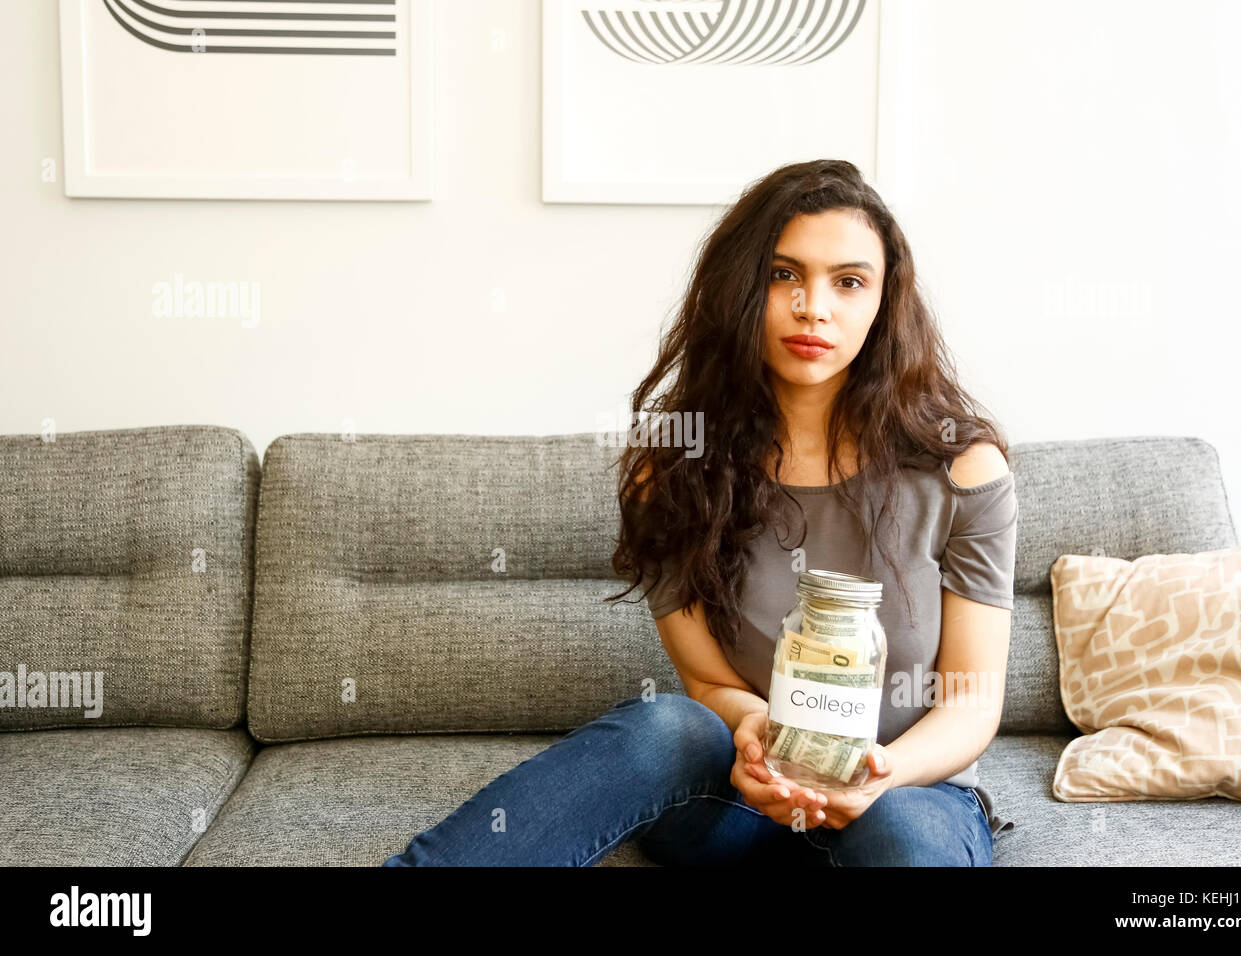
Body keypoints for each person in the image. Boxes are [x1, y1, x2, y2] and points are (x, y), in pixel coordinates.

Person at [383, 159, 1017, 867]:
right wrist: (754, 733)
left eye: (848, 281)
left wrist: (879, 776)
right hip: (742, 806)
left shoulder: (962, 470)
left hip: (906, 792)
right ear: (741, 290)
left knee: (905, 834)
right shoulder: (674, 472)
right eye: (784, 275)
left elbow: (970, 701)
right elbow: (710, 684)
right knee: (669, 727)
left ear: (883, 302)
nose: (814, 307)